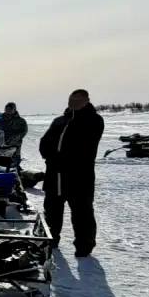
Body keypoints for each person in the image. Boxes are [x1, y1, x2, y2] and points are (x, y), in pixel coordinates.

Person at [39, 89, 105, 257]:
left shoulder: (94, 120)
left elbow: (85, 146)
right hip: (54, 175)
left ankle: (84, 247)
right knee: (52, 211)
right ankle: (50, 240)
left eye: (78, 99)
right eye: (71, 98)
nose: (73, 102)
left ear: (86, 100)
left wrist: (63, 159)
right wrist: (50, 158)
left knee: (82, 213)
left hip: (79, 177)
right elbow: (45, 142)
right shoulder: (59, 121)